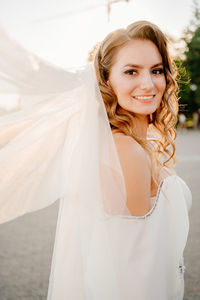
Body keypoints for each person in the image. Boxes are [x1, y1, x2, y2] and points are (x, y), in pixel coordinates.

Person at [0, 21, 192, 300]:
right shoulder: (126, 151)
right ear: (106, 79)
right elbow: (134, 272)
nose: (148, 83)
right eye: (131, 71)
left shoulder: (130, 144)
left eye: (157, 70)